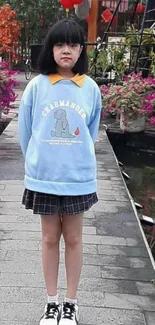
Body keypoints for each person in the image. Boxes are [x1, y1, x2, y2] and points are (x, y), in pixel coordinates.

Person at [18, 18, 102, 325]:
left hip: (77, 179)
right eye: (59, 44)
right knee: (50, 238)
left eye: (73, 44)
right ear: (50, 48)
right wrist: (39, 163)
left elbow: (90, 132)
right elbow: (26, 133)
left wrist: (75, 158)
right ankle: (51, 303)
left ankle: (71, 303)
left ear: (81, 49)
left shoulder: (90, 88)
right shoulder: (37, 86)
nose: (66, 50)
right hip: (45, 178)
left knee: (75, 238)